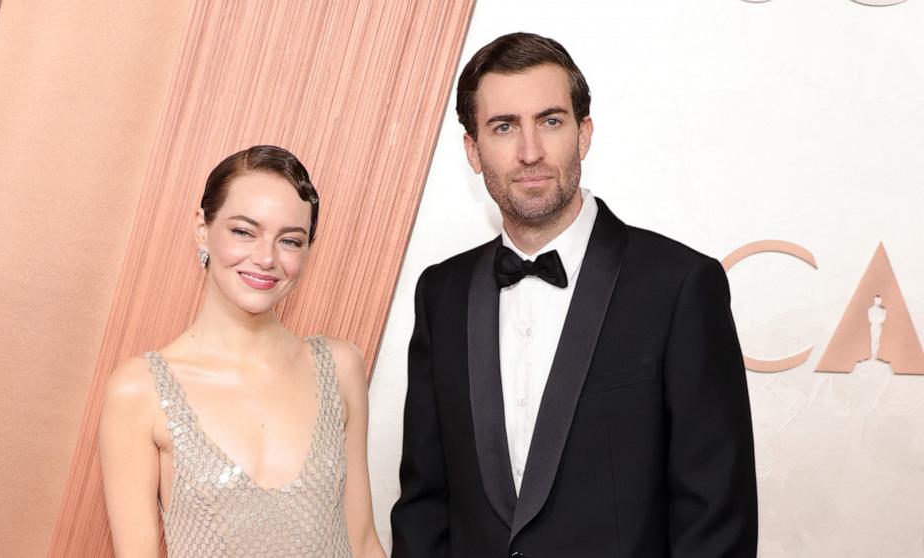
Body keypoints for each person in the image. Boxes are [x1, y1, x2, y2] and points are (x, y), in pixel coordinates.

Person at [391, 33, 758, 557]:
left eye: (551, 120)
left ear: (584, 134)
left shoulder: (679, 284)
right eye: (503, 127)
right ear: (473, 149)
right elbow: (424, 504)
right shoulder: (440, 293)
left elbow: (716, 516)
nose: (530, 152)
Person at [100, 145, 385, 557]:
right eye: (243, 231)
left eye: (289, 240)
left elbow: (362, 542)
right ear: (203, 228)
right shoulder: (139, 390)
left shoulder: (340, 367)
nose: (266, 258)